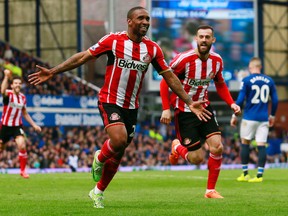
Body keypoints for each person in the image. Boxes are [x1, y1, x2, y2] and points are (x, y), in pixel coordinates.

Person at [28, 6, 212, 208]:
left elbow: (169, 76)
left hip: (131, 107)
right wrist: (54, 71)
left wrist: (188, 101)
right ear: (129, 21)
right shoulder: (113, 41)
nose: (145, 22)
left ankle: (97, 191)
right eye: (140, 18)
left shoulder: (152, 49)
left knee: (118, 152)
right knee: (119, 139)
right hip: (109, 99)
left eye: (147, 19)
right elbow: (83, 57)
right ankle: (99, 157)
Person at [160, 25, 241, 199]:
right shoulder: (183, 59)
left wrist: (232, 104)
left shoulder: (217, 61)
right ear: (196, 39)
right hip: (184, 111)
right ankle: (177, 147)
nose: (204, 40)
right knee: (197, 158)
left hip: (204, 108)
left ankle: (210, 190)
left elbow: (220, 84)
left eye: (207, 37)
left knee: (217, 146)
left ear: (213, 40)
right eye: (201, 37)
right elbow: (165, 81)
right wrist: (166, 108)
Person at [230, 57, 278, 183]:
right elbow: (275, 100)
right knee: (261, 145)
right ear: (260, 67)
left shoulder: (246, 80)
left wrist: (234, 116)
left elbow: (240, 100)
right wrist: (272, 116)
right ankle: (259, 176)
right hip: (263, 118)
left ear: (251, 68)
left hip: (249, 117)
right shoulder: (269, 80)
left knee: (245, 143)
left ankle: (245, 174)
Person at [0, 69, 42, 178]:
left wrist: (34, 125)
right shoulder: (8, 94)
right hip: (4, 126)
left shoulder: (22, 97)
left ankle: (23, 171)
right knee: (1, 148)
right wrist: (5, 76)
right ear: (12, 85)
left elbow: (25, 113)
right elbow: (2, 90)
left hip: (16, 126)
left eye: (19, 83)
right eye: (15, 83)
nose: (18, 85)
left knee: (22, 146)